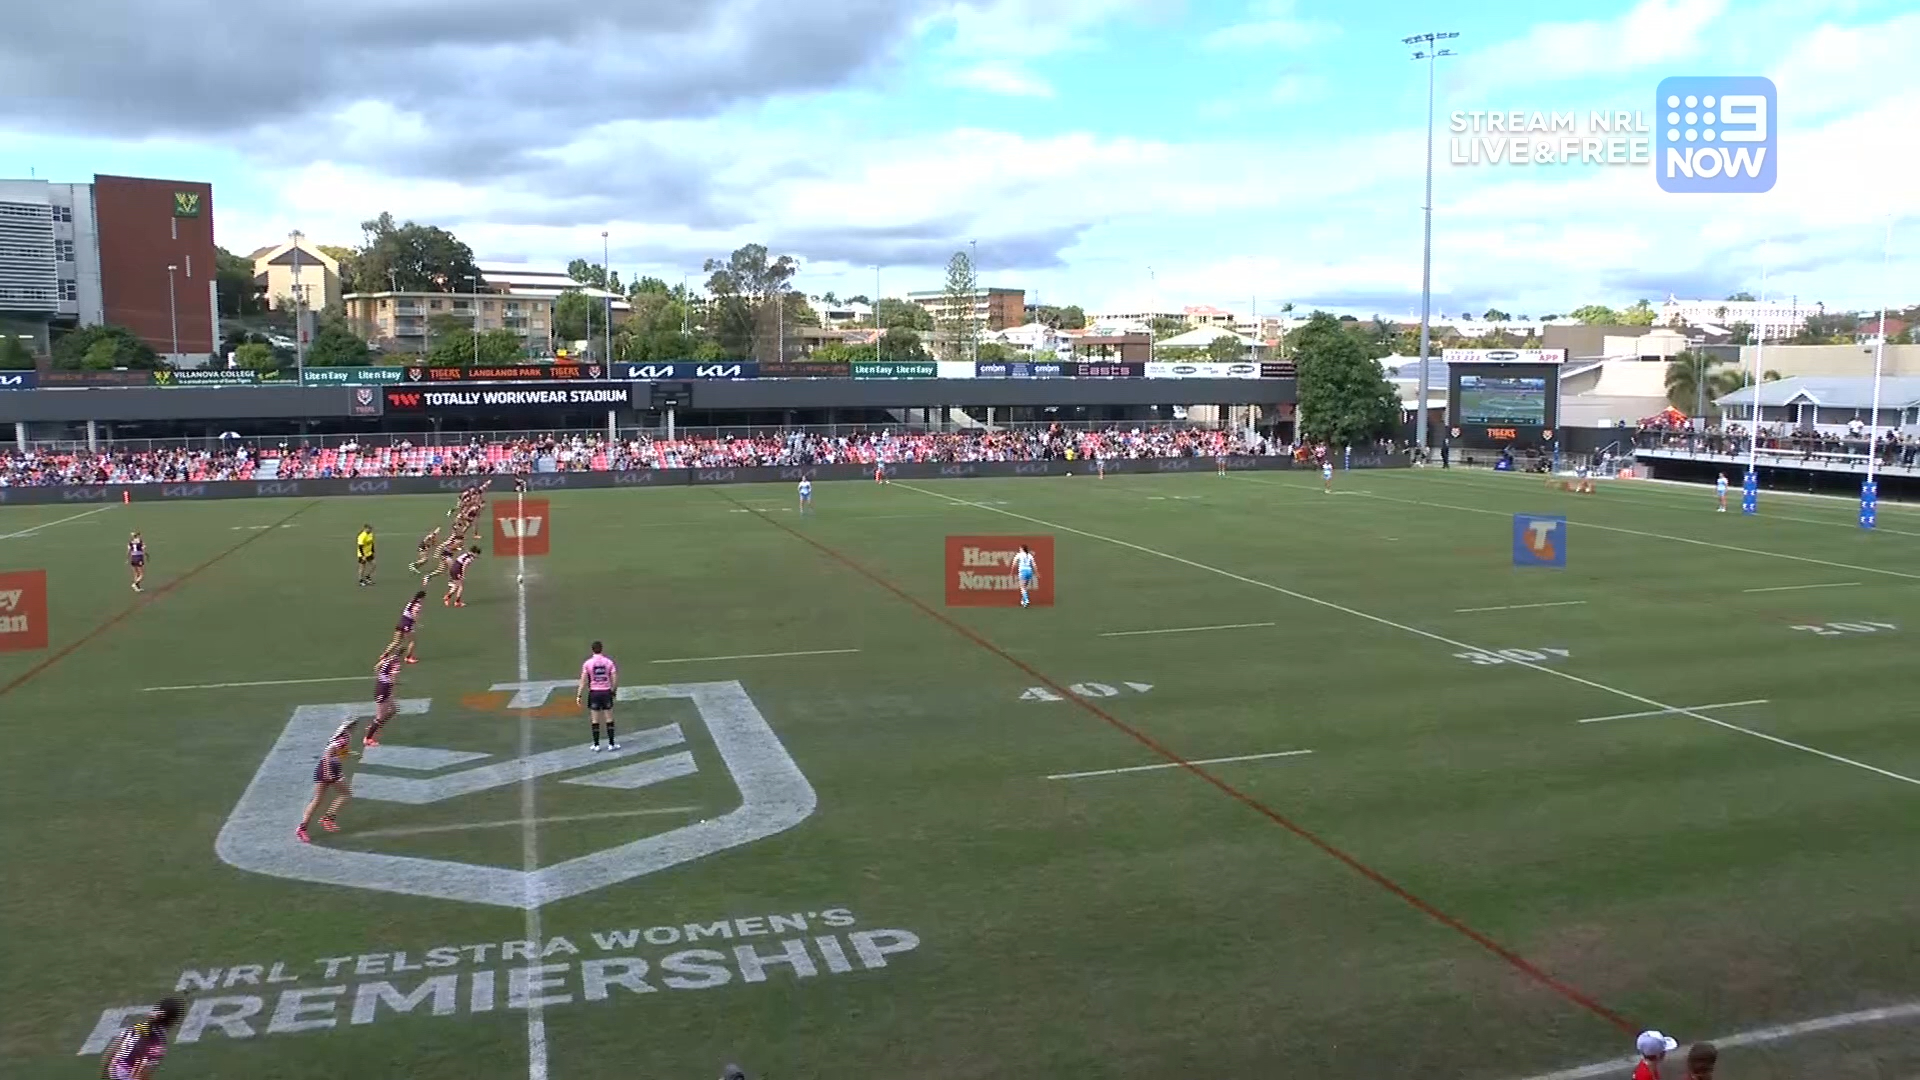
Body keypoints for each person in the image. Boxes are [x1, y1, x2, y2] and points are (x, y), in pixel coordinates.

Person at [296, 719, 356, 842]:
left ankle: (303, 828)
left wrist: (347, 753)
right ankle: (327, 818)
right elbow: (328, 753)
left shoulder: (340, 736)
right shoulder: (344, 738)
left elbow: (338, 753)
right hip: (329, 769)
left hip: (328, 768)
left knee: (318, 799)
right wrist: (329, 772)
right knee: (345, 794)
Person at [100, 997, 183, 1079]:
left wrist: (104, 1075)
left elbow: (110, 1053)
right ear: (173, 1020)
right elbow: (143, 1074)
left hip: (114, 1071)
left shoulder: (136, 1028)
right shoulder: (158, 1042)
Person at [577, 641, 619, 751]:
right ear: (602, 649)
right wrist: (613, 691)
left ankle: (596, 745)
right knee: (609, 718)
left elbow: (583, 680)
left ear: (592, 650)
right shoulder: (608, 662)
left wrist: (579, 694)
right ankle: (611, 744)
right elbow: (614, 678)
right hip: (606, 692)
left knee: (595, 720)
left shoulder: (588, 663)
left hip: (594, 693)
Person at [365, 649, 402, 748]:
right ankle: (368, 738)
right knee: (380, 716)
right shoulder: (396, 664)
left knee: (394, 709)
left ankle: (376, 726)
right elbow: (393, 679)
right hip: (384, 691)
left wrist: (380, 679)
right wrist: (392, 692)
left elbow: (376, 668)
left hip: (381, 687)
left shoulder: (387, 660)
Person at [384, 590, 426, 665]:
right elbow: (414, 614)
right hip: (407, 624)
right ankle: (408, 657)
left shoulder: (410, 602)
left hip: (401, 622)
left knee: (396, 641)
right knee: (412, 641)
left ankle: (384, 655)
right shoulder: (417, 605)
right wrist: (417, 623)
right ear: (422, 597)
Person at [1015, 544, 1037, 609]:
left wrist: (1012, 569)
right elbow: (1034, 565)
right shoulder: (1030, 555)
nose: (1019, 550)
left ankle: (1026, 600)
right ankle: (1023, 600)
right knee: (1025, 587)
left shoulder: (1019, 554)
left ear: (1022, 549)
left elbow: (1014, 562)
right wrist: (1036, 572)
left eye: (1020, 549)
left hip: (1023, 571)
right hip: (1029, 571)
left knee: (1022, 587)